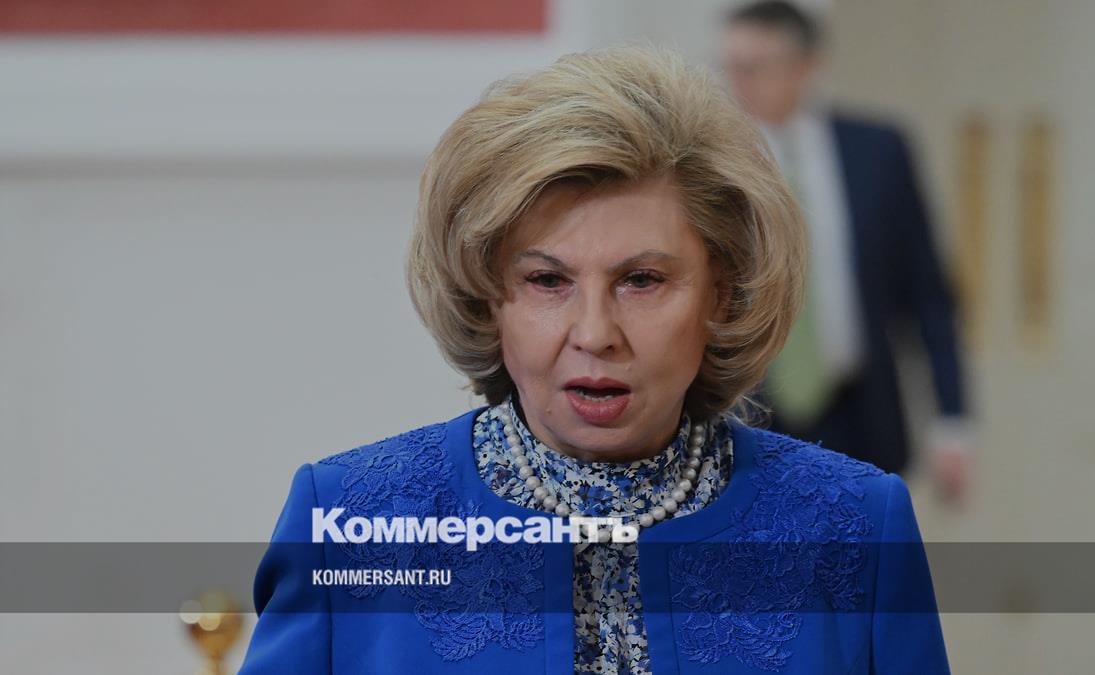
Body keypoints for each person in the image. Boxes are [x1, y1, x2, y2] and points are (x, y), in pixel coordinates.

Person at [239, 46, 950, 674]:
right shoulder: (346, 519)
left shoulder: (857, 526)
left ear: (722, 293)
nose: (595, 332)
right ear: (488, 296)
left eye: (642, 280)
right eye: (547, 281)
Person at [723, 0, 974, 503]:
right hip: (747, 416)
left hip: (859, 411)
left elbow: (927, 291)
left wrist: (953, 421)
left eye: (756, 67)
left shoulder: (879, 150)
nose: (739, 83)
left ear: (806, 67)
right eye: (731, 67)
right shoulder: (716, 162)